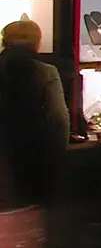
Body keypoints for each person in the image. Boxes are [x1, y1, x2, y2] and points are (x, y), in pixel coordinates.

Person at [0, 19, 68, 206]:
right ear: (36, 43)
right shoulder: (46, 72)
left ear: (4, 41)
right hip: (33, 158)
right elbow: (58, 120)